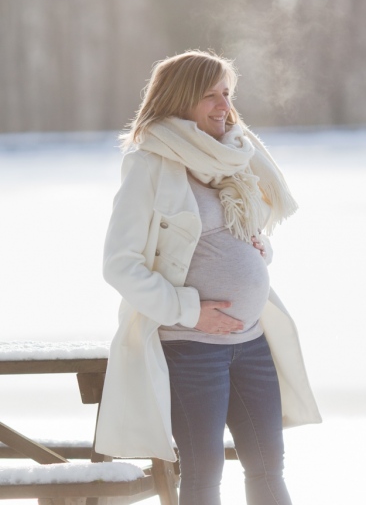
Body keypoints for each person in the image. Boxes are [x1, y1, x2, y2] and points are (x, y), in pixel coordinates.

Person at [95, 50, 321, 505]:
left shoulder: (233, 158)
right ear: (180, 100)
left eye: (227, 93)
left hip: (252, 343)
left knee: (267, 463)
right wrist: (192, 312)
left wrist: (259, 249)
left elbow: (235, 236)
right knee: (203, 474)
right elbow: (120, 264)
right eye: (210, 95)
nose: (225, 106)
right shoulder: (150, 165)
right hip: (190, 349)